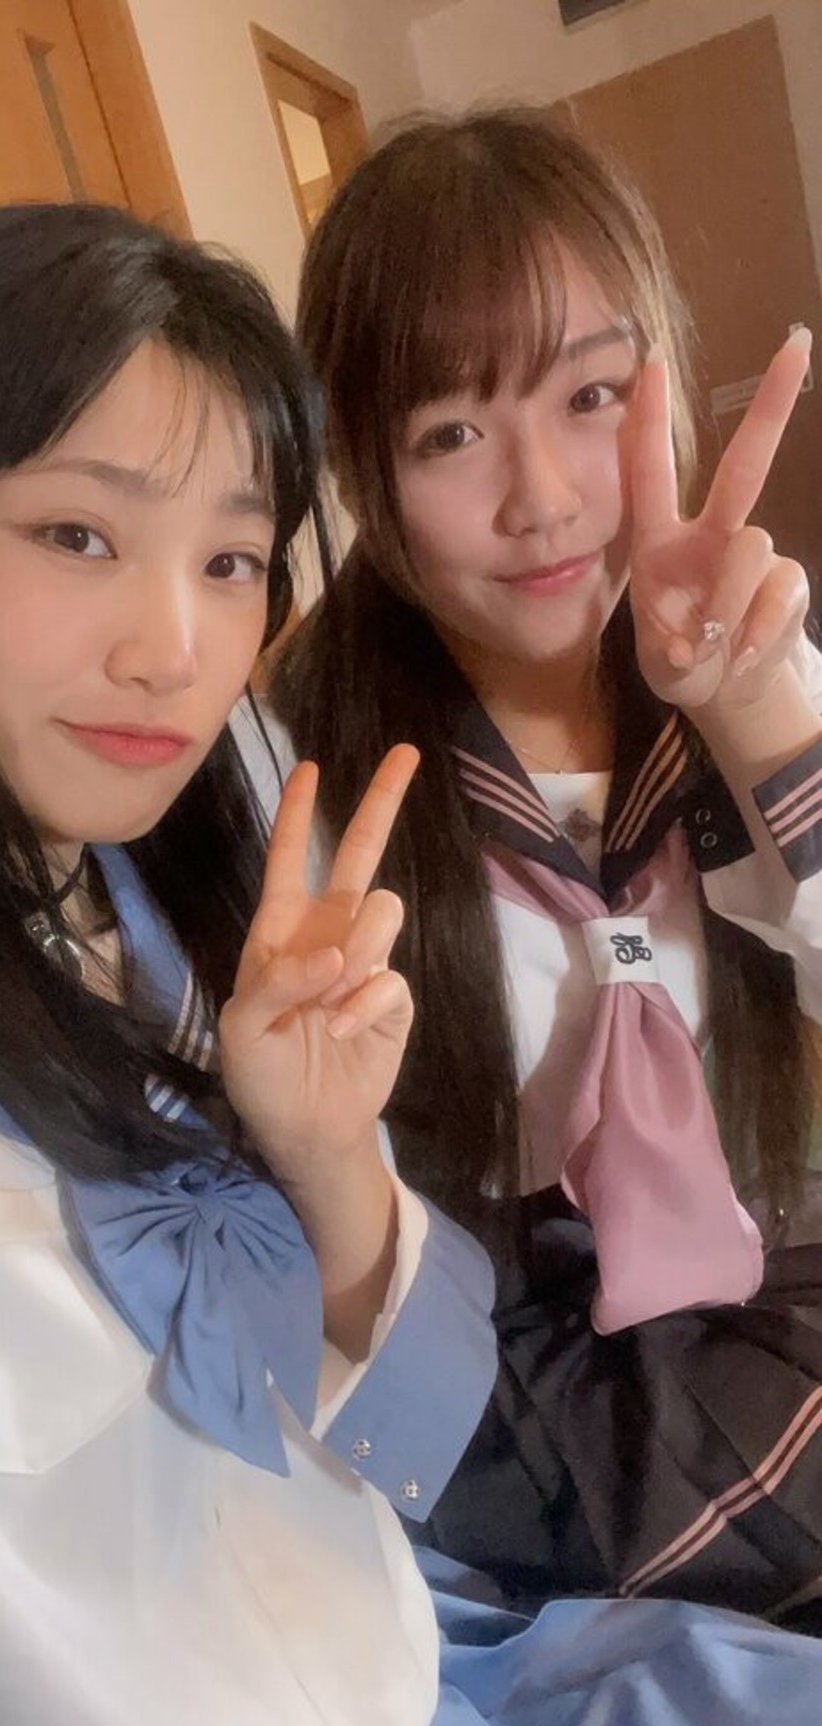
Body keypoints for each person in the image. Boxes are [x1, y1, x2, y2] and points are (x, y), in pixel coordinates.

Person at [0, 198, 822, 1726]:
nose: (171, 648)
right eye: (78, 534)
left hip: (437, 1677)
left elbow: (394, 1420)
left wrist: (325, 1157)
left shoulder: (219, 876)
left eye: (231, 560)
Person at [271, 105, 822, 1626]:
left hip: (765, 1255)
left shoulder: (752, 667)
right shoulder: (312, 786)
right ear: (362, 466)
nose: (546, 499)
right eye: (452, 433)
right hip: (506, 1370)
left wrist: (752, 709)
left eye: (591, 396)